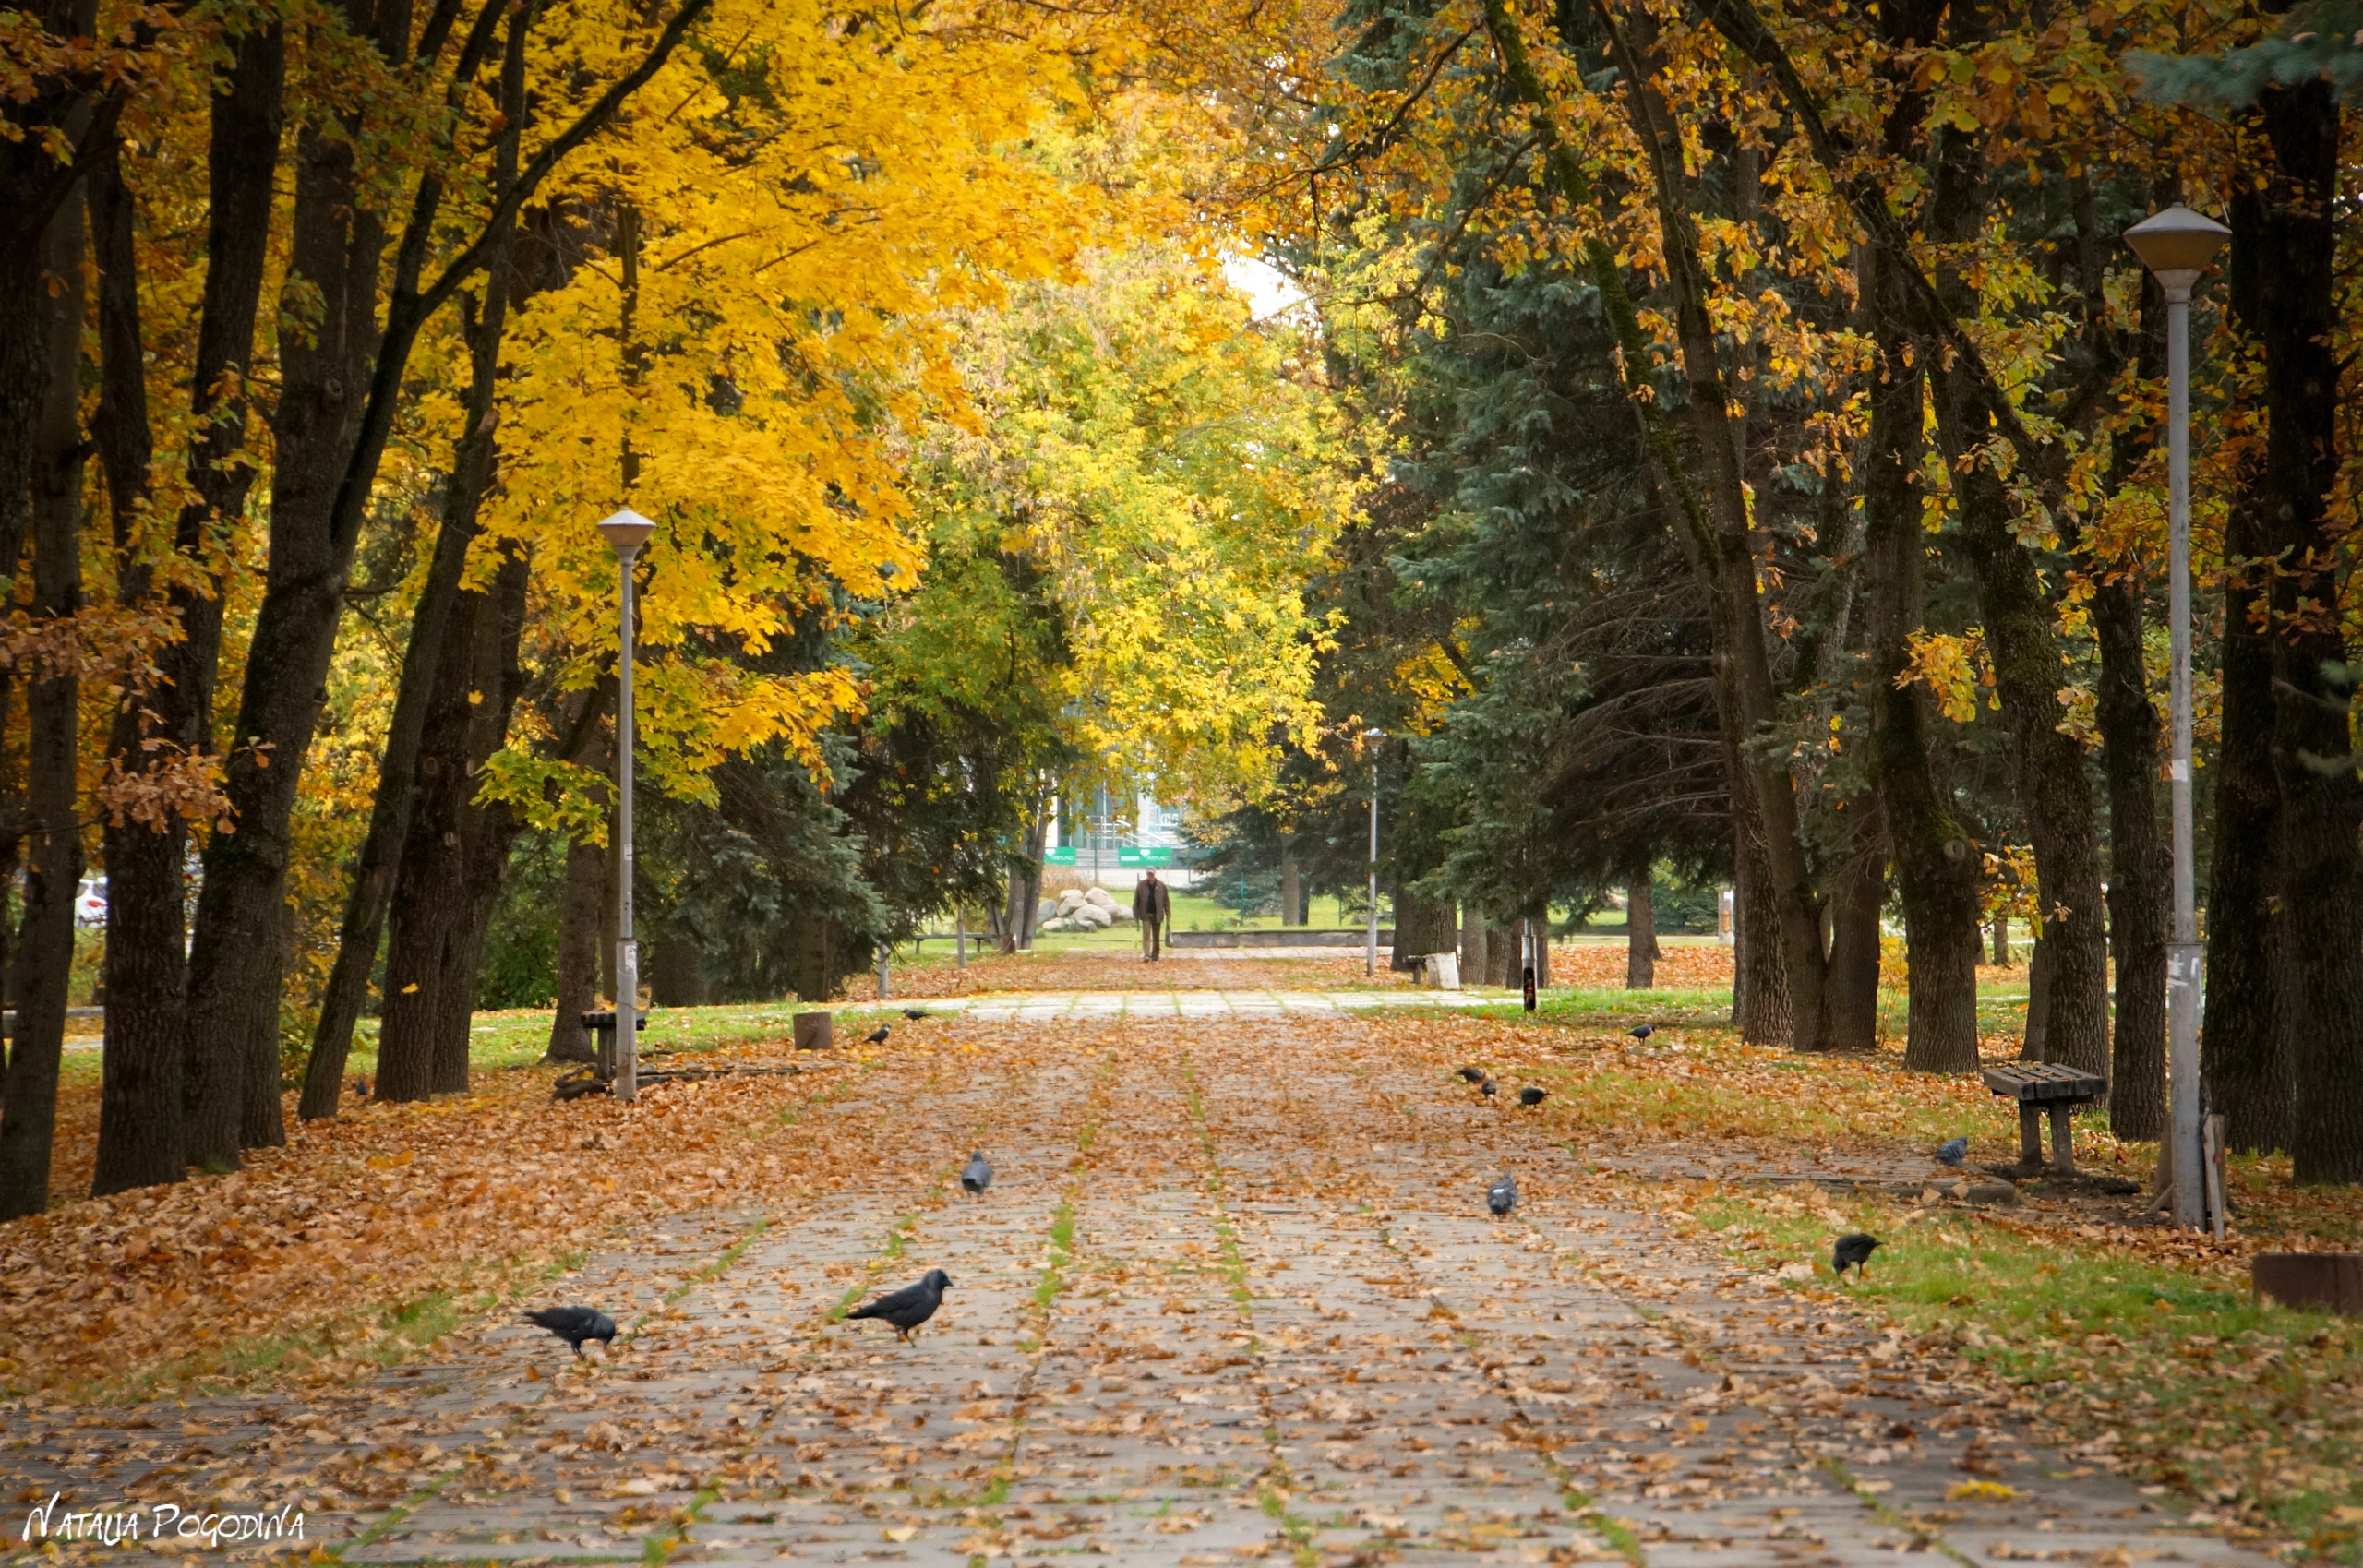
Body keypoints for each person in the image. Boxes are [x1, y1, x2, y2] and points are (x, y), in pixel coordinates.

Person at [1133, 869, 1172, 962]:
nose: (1150, 875)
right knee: (1146, 935)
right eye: (1148, 873)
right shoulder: (1141, 885)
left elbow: (1166, 901)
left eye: (1151, 873)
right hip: (1145, 914)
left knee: (1156, 936)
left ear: (1154, 874)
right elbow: (1136, 901)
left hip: (1157, 914)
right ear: (1147, 874)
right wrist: (1135, 915)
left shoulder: (1161, 886)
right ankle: (1146, 955)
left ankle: (1155, 955)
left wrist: (1168, 914)